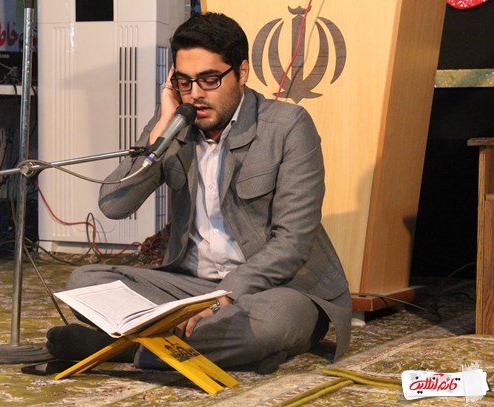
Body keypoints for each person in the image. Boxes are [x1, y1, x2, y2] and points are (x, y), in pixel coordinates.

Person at [46, 12, 351, 373]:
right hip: (191, 289)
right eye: (184, 82)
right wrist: (161, 133)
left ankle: (122, 349)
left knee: (267, 324)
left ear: (241, 72)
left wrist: (224, 299)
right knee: (84, 283)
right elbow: (114, 205)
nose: (195, 94)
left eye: (209, 80)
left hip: (278, 290)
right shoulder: (175, 124)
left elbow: (291, 244)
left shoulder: (287, 126)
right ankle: (195, 345)